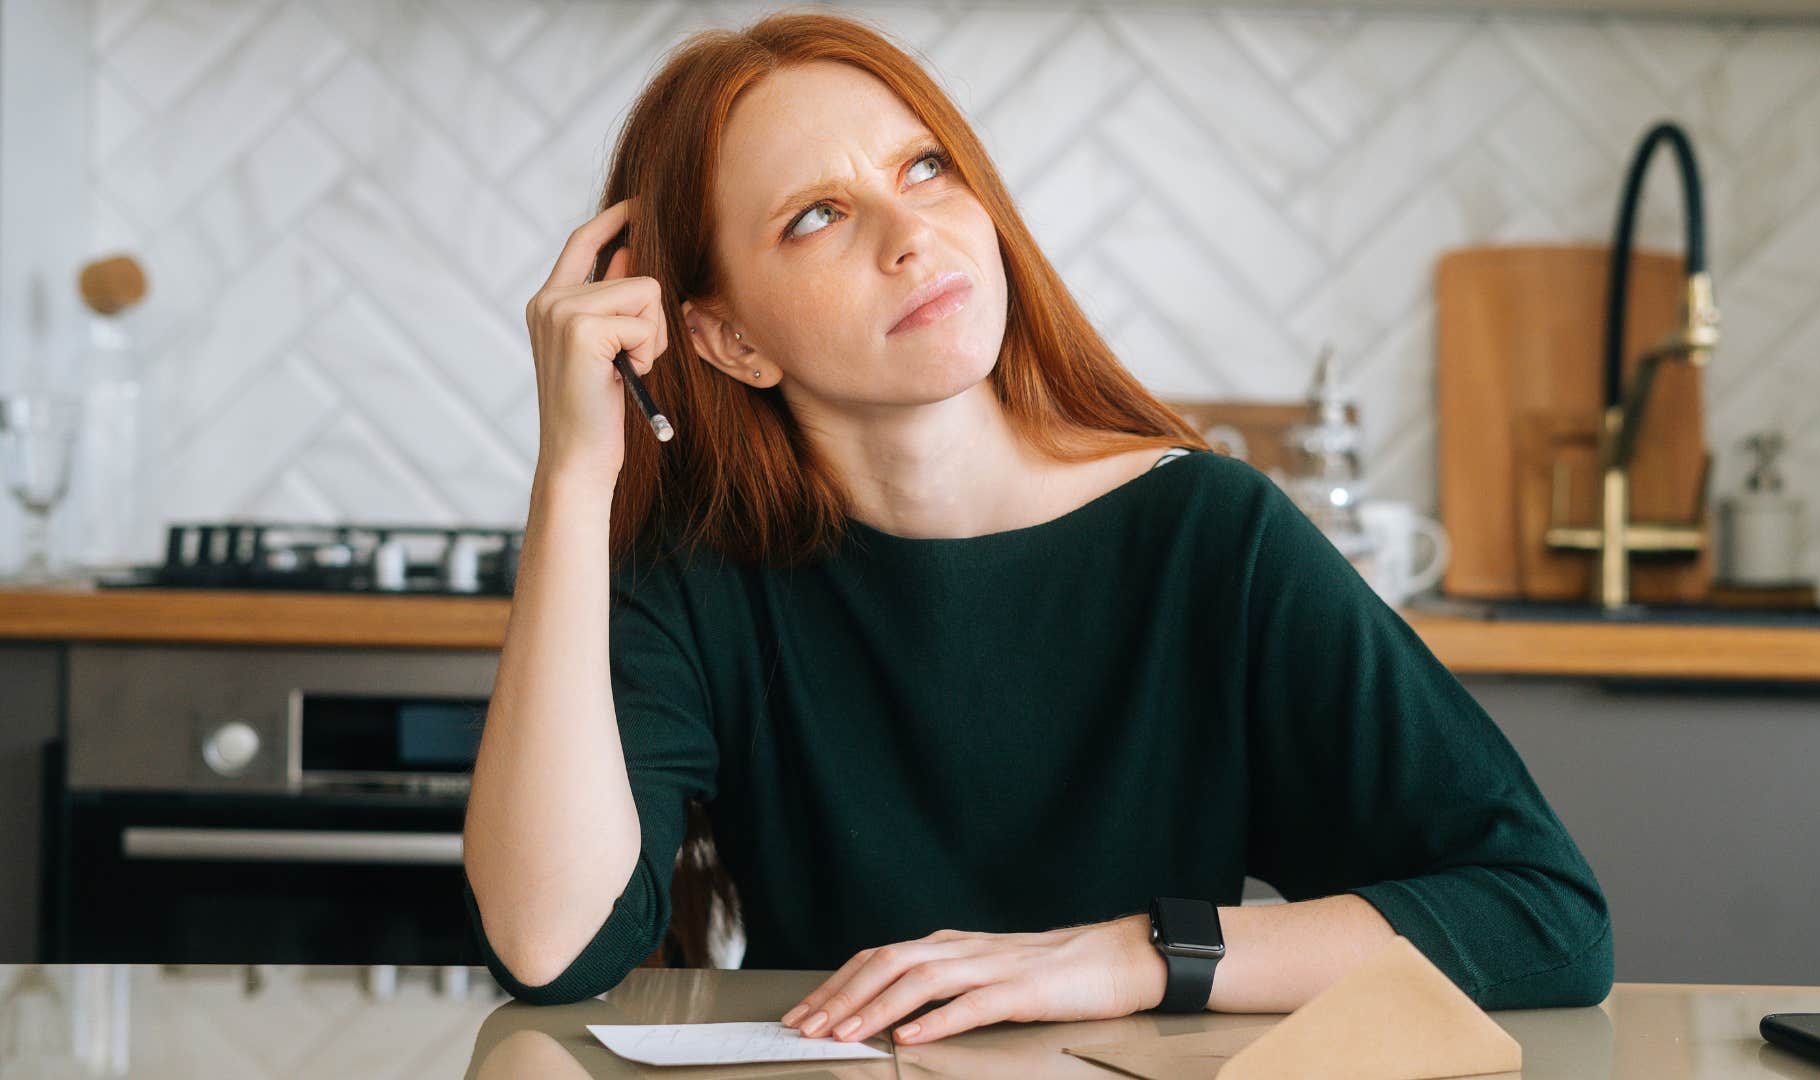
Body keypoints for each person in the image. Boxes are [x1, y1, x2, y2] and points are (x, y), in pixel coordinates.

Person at [461, 8, 1612, 1048]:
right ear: (727, 341)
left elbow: (1545, 919)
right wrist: (574, 472)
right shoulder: (704, 579)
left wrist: (1127, 955)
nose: (909, 234)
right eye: (817, 216)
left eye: (926, 169)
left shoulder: (1213, 535)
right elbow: (551, 949)